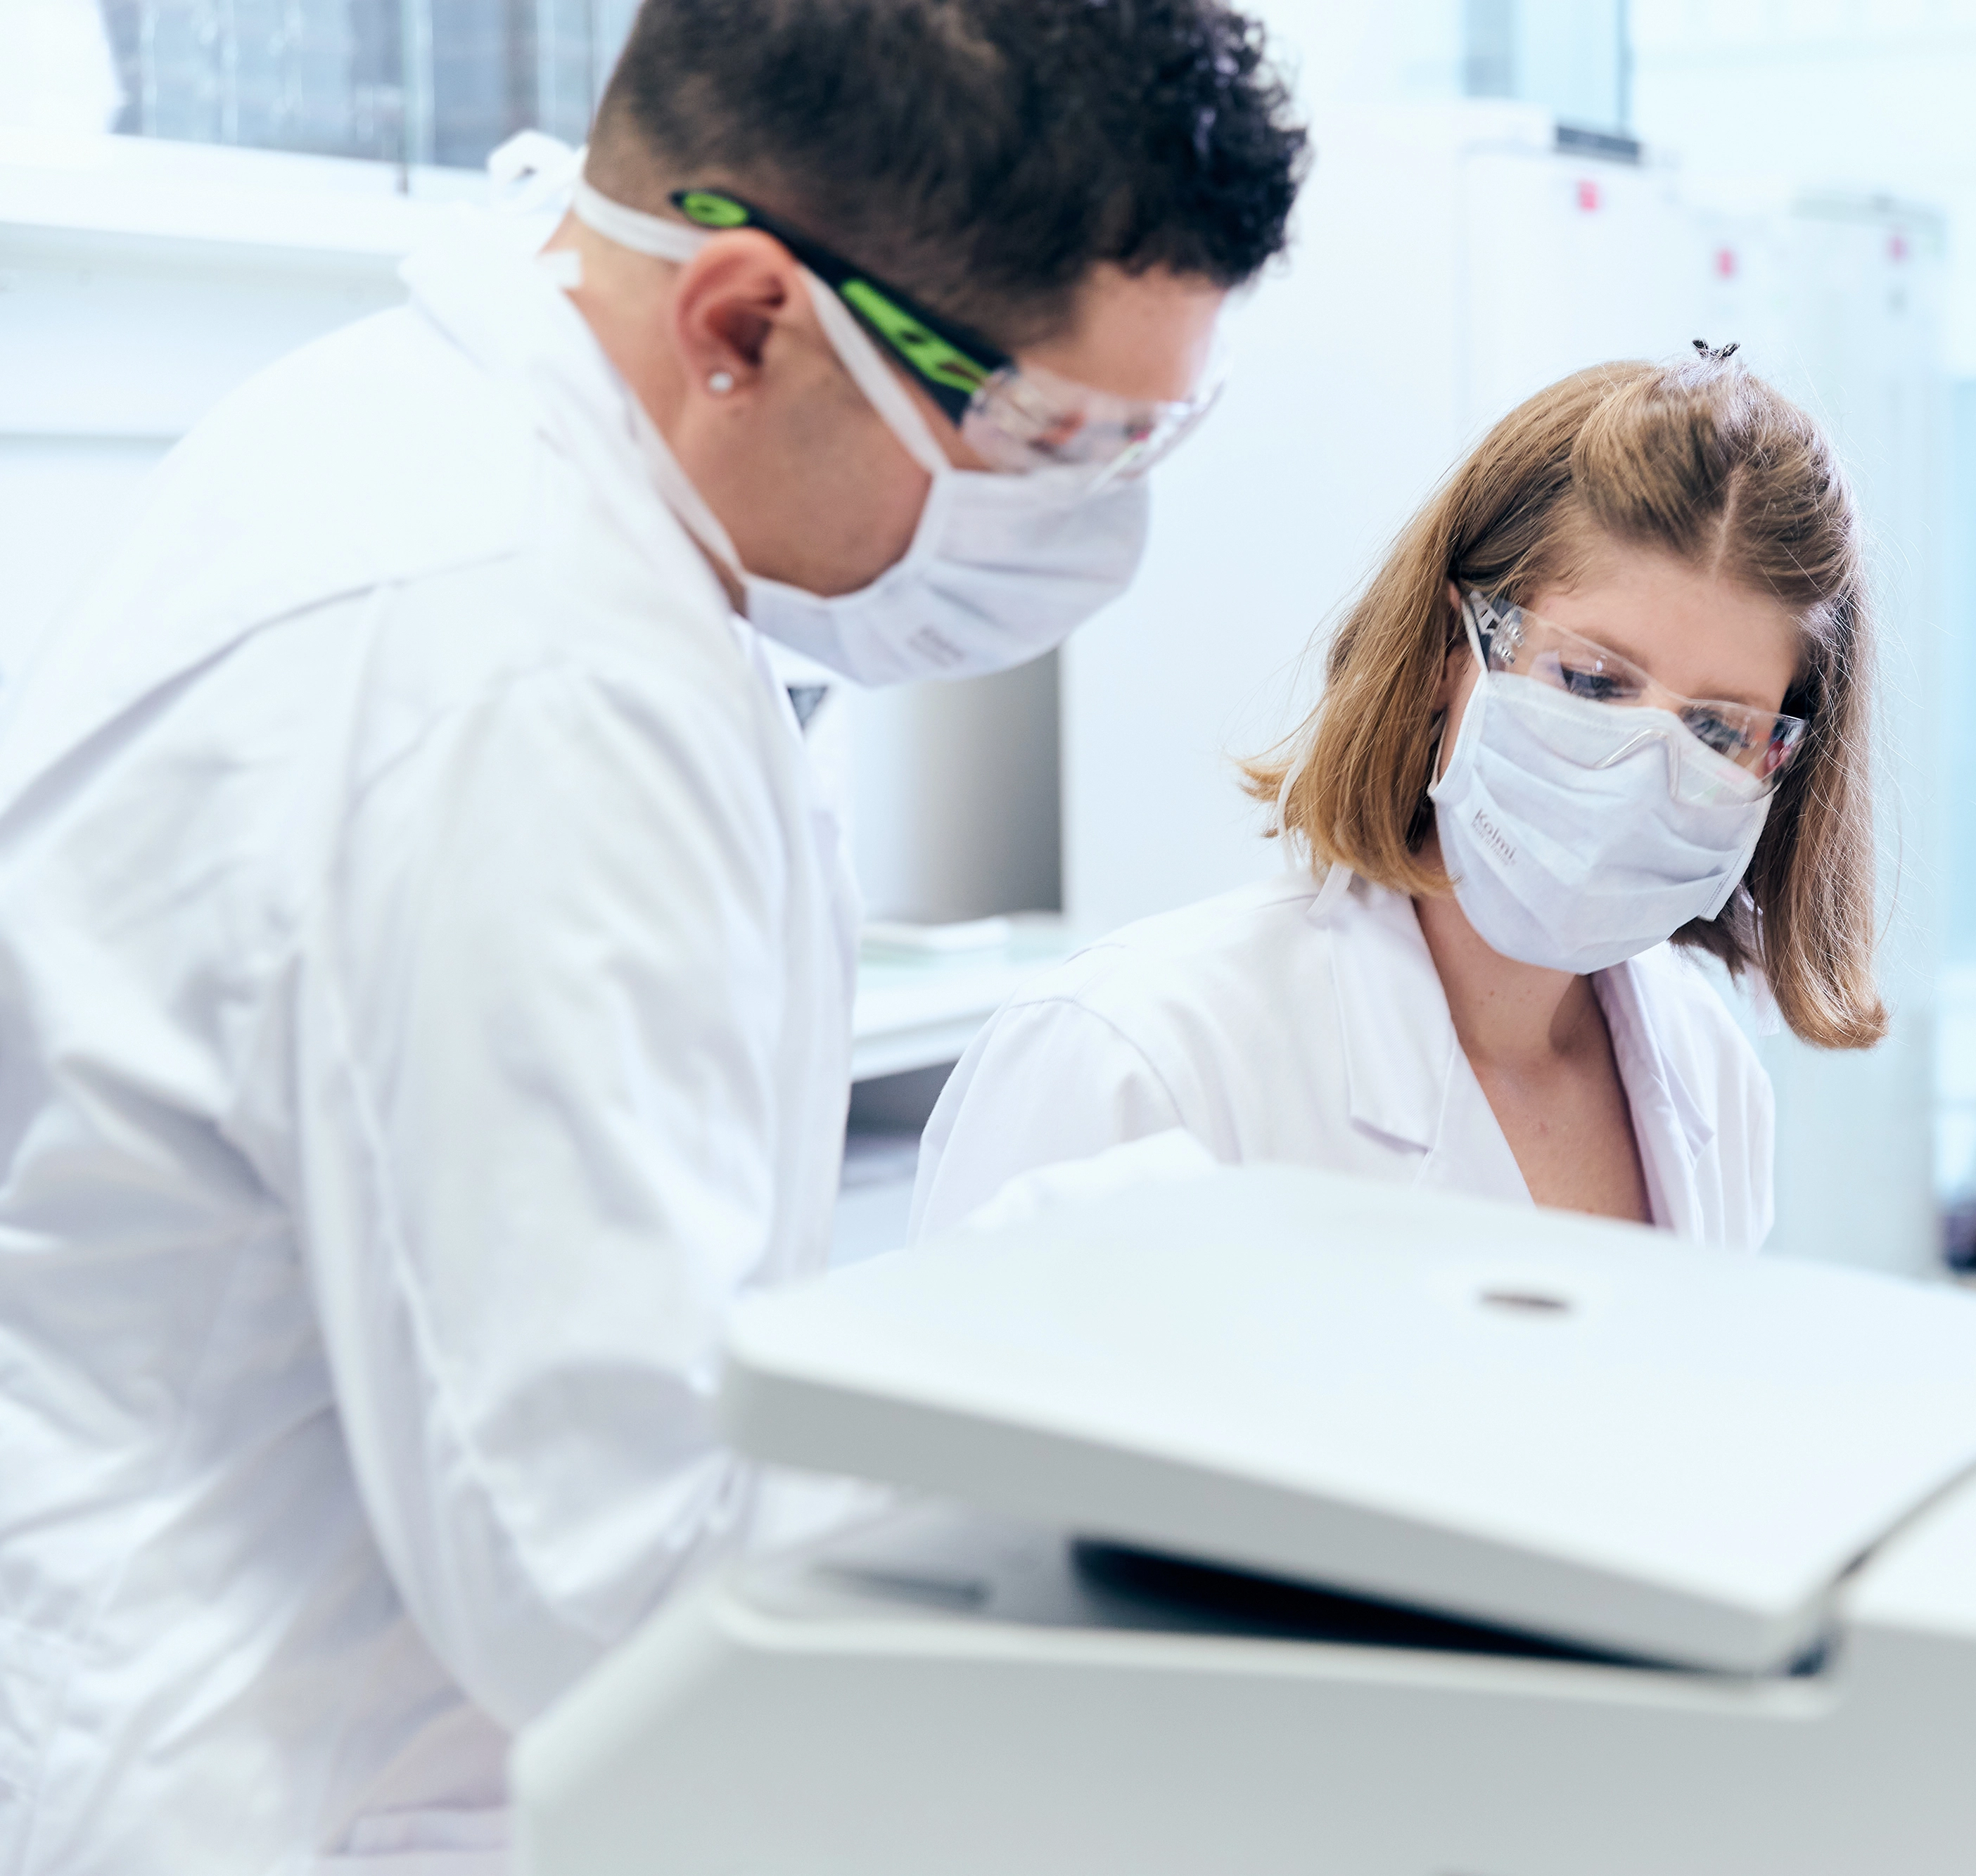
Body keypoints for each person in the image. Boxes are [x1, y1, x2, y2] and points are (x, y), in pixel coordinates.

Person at [0, 3, 1304, 1868]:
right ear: (746, 322)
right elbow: (613, 1568)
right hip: (286, 1797)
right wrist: (1086, 1319)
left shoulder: (476, 459)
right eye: (1045, 434)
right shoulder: (518, 668)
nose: (1093, 525)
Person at [910, 352, 1887, 1249]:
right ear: (1441, 658)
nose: (1644, 768)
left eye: (1720, 731)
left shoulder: (1708, 1071)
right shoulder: (1144, 1053)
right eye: (1593, 682)